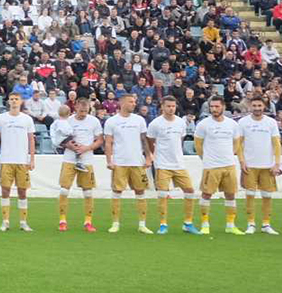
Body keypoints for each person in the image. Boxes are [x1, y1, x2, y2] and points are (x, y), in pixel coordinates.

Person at [50, 95, 103, 232]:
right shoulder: (67, 121)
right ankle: (62, 221)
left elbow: (99, 140)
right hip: (69, 159)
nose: (83, 112)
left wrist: (87, 148)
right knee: (64, 189)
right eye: (81, 110)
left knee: (88, 192)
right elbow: (58, 139)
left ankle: (88, 222)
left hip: (86, 160)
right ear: (76, 107)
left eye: (86, 110)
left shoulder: (94, 121)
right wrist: (70, 146)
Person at [193, 97, 244, 236]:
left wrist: (230, 155)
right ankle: (205, 224)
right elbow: (198, 145)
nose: (214, 109)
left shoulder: (232, 124)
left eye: (216, 106)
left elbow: (237, 143)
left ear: (223, 107)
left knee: (230, 195)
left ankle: (230, 225)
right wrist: (205, 159)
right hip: (211, 166)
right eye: (212, 107)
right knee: (206, 194)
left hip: (229, 165)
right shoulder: (203, 124)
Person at [103, 93, 152, 235]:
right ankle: (115, 223)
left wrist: (148, 157)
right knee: (117, 191)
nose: (134, 104)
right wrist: (109, 160)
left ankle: (142, 224)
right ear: (122, 103)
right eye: (131, 101)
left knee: (141, 191)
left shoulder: (139, 120)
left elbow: (144, 140)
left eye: (134, 102)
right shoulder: (112, 121)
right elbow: (108, 142)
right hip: (120, 162)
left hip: (137, 162)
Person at [145, 97, 193, 234]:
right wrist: (154, 157)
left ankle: (188, 223)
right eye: (168, 106)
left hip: (179, 164)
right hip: (163, 164)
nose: (171, 108)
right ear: (162, 107)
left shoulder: (180, 123)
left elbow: (181, 139)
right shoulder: (155, 124)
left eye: (173, 106)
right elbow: (150, 141)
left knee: (189, 191)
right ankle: (163, 224)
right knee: (162, 194)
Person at [0, 93, 35, 232]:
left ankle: (23, 222)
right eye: (12, 99)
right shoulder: (1, 118)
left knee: (22, 191)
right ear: (8, 102)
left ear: (21, 102)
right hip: (6, 160)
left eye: (16, 99)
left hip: (22, 161)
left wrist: (32, 158)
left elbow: (31, 139)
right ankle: (5, 221)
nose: (14, 101)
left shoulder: (27, 119)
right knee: (5, 190)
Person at [239, 96, 282, 235]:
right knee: (250, 194)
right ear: (250, 106)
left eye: (259, 105)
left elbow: (276, 144)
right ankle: (251, 223)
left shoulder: (271, 123)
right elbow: (238, 144)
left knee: (267, 195)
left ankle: (266, 224)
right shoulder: (243, 122)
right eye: (254, 105)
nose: (257, 108)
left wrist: (277, 163)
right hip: (250, 165)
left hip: (267, 166)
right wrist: (242, 161)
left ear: (264, 106)